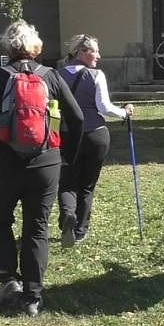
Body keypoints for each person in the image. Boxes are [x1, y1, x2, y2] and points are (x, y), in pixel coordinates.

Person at [0, 20, 83, 316]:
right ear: (36, 47)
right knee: (37, 229)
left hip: (4, 165)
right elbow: (77, 118)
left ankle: (8, 280)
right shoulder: (52, 77)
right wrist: (64, 154)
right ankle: (32, 297)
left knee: (0, 223)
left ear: (8, 48)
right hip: (46, 165)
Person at [57, 34, 134, 247]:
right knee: (87, 185)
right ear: (81, 52)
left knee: (67, 182)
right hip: (95, 134)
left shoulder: (56, 75)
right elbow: (103, 107)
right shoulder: (95, 75)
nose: (98, 56)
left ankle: (67, 215)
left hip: (67, 135)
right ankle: (80, 231)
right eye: (94, 51)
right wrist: (124, 113)